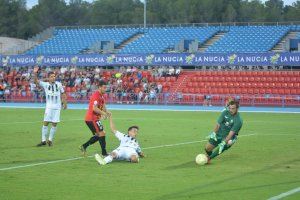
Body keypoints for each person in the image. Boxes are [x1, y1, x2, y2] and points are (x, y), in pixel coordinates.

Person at [34, 66, 67, 147]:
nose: (53, 78)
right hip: (49, 108)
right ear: (48, 78)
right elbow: (36, 81)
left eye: (54, 76)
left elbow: (63, 94)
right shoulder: (45, 84)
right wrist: (35, 73)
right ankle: (43, 140)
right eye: (51, 77)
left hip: (57, 108)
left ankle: (50, 140)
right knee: (45, 123)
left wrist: (65, 103)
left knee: (54, 124)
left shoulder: (59, 84)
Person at [79, 80, 109, 156]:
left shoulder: (101, 95)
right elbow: (94, 108)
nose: (105, 89)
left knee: (99, 135)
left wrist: (107, 112)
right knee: (101, 133)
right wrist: (104, 114)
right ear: (99, 87)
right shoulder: (96, 95)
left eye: (106, 88)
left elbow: (103, 104)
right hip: (91, 118)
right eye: (104, 87)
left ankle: (84, 146)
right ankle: (104, 153)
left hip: (95, 118)